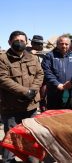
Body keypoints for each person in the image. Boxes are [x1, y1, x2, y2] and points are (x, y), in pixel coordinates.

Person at [0, 31, 44, 163]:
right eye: (16, 40)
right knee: (11, 137)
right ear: (9, 42)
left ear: (26, 43)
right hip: (10, 106)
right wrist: (24, 92)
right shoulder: (2, 59)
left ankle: (32, 160)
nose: (20, 43)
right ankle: (8, 160)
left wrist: (33, 90)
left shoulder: (32, 58)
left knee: (31, 136)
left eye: (22, 41)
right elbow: (3, 79)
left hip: (30, 105)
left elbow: (39, 74)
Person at [42, 35, 72, 109]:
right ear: (57, 44)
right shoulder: (49, 56)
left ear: (69, 45)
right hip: (54, 93)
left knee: (71, 116)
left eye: (66, 44)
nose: (64, 46)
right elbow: (46, 72)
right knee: (53, 117)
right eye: (61, 43)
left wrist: (71, 82)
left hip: (71, 92)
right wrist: (57, 84)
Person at [27, 35, 47, 112]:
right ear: (32, 43)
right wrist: (30, 54)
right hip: (31, 80)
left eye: (41, 44)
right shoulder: (25, 51)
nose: (39, 45)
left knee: (43, 97)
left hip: (43, 79)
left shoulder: (45, 53)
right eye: (36, 43)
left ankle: (43, 112)